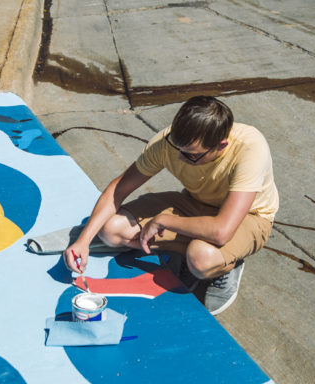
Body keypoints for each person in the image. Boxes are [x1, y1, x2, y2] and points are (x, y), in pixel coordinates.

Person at [65, 96, 278, 315]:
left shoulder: (250, 149)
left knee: (201, 258)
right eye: (177, 148)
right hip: (195, 203)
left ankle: (228, 264)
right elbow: (118, 189)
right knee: (111, 231)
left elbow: (221, 231)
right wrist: (83, 241)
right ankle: (192, 251)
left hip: (249, 217)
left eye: (191, 155)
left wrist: (165, 221)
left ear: (221, 145)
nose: (180, 157)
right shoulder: (169, 143)